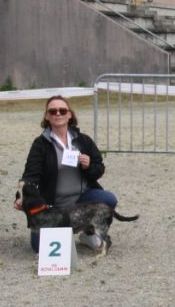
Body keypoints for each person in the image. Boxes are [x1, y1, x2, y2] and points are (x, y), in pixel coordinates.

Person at [14, 95, 118, 252]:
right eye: (53, 111)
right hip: (52, 206)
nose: (58, 114)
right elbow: (30, 175)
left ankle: (89, 233)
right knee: (39, 247)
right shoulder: (40, 144)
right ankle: (65, 231)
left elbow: (99, 168)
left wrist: (89, 165)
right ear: (47, 116)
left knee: (107, 200)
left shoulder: (84, 140)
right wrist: (22, 197)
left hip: (82, 199)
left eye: (62, 110)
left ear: (70, 115)